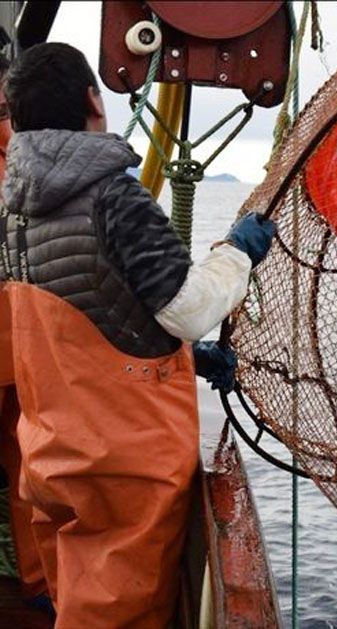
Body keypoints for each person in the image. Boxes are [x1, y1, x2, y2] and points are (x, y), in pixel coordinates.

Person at [0, 42, 275, 627]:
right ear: (93, 102)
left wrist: (182, 357)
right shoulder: (115, 197)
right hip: (123, 467)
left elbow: (84, 309)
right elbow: (190, 308)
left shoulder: (11, 207)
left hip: (50, 454)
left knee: (70, 595)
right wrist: (236, 253)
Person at [0, 51, 51, 614]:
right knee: (29, 469)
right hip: (20, 342)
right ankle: (40, 584)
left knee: (27, 467)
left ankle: (40, 583)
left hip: (17, 340)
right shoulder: (23, 150)